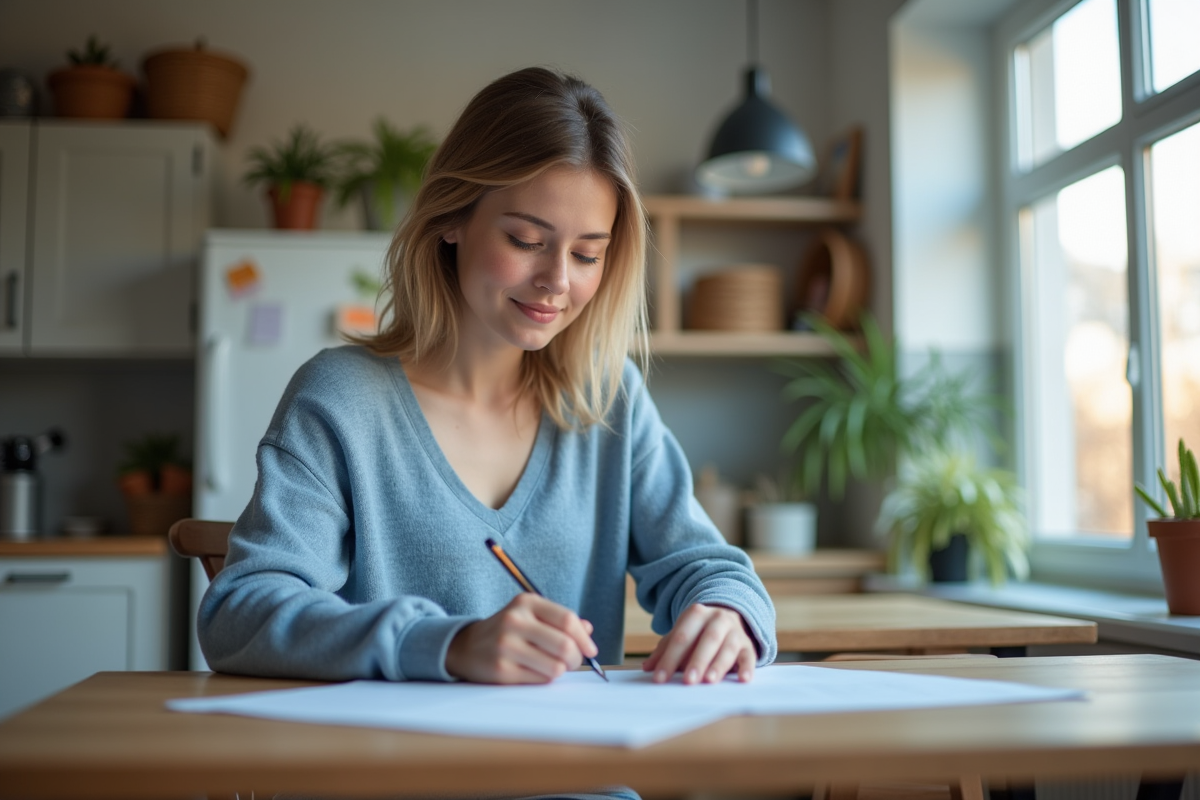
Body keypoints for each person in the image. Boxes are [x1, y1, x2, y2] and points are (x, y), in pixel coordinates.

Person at [199, 66, 776, 703]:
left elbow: (707, 566)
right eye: (526, 240)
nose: (558, 280)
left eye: (587, 254)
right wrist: (446, 644)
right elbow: (240, 613)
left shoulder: (610, 400)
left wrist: (730, 613)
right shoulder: (340, 400)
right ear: (452, 220)